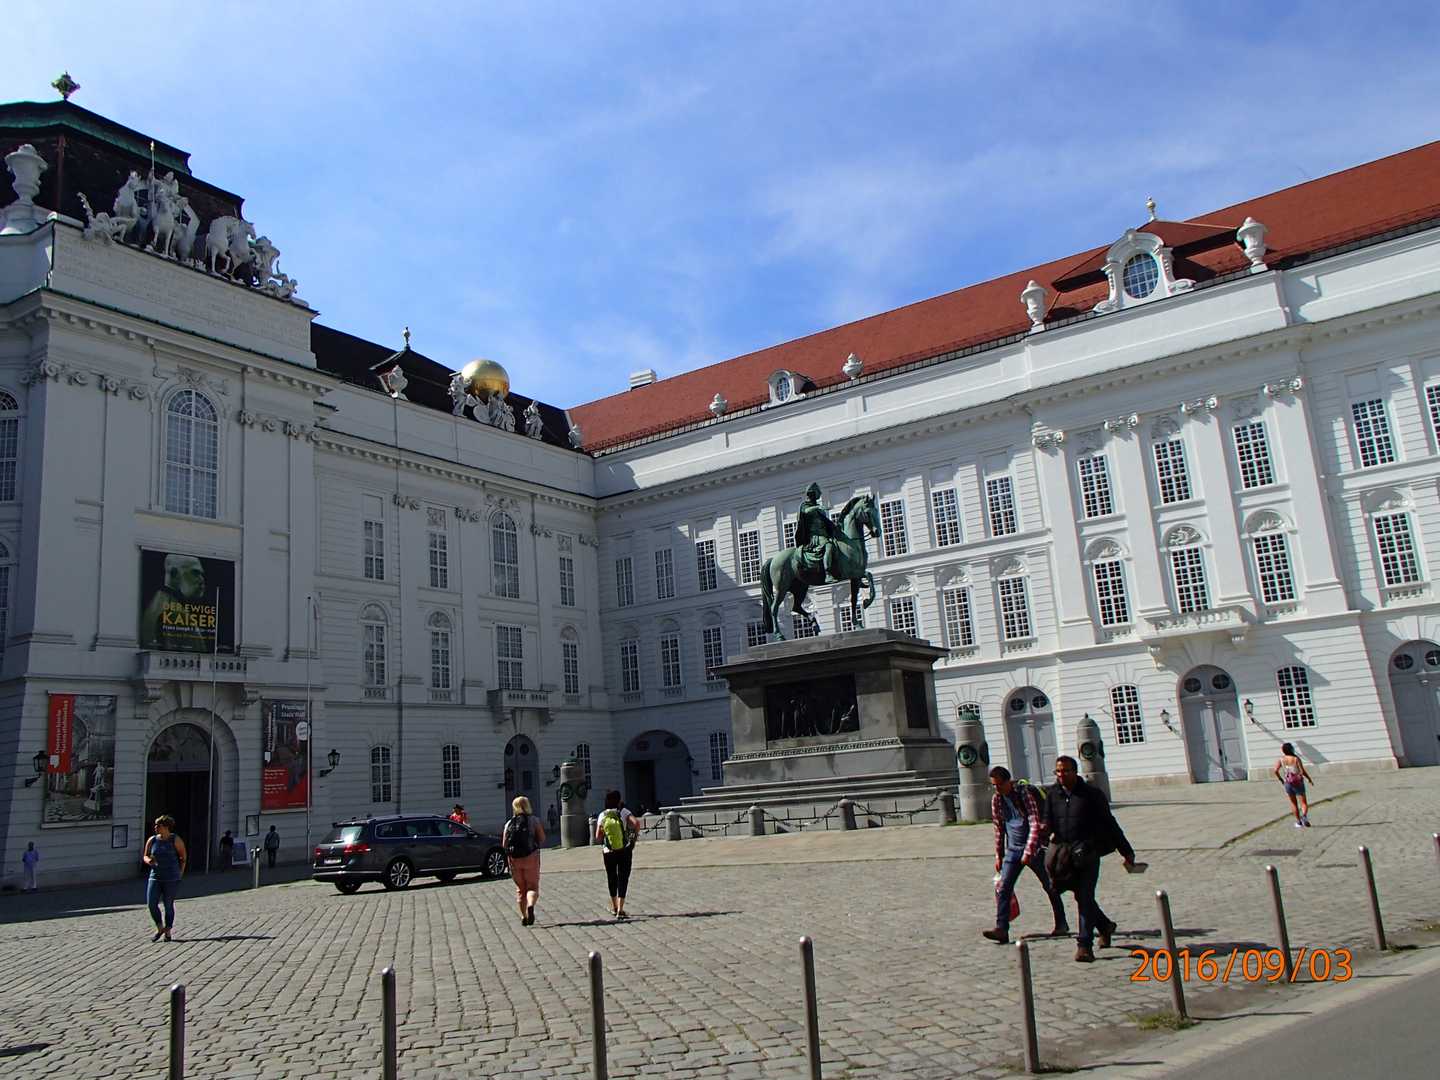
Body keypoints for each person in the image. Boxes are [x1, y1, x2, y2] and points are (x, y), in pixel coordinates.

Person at [1042, 756, 1134, 963]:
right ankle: (1105, 925)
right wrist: (1045, 830)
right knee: (1080, 896)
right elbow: (1047, 819)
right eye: (1058, 771)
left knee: (1085, 897)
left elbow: (1109, 823)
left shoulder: (1091, 795)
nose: (1061, 775)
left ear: (1075, 772)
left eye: (1065, 771)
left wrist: (1126, 851)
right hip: (1064, 856)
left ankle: (1084, 945)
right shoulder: (1052, 794)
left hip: (1087, 853)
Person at [981, 767, 1068, 945]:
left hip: (1034, 848)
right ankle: (1001, 929)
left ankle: (1061, 923)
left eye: (999, 785)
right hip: (1013, 850)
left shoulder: (1023, 794)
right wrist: (999, 854)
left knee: (1050, 885)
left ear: (1008, 782)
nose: (997, 789)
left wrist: (1029, 851)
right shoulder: (997, 799)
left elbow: (1034, 822)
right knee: (1004, 887)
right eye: (993, 785)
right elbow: (998, 827)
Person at [595, 790, 642, 919]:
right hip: (624, 849)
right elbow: (637, 824)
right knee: (623, 877)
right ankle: (621, 909)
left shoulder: (602, 815)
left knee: (611, 877)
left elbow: (597, 836)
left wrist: (607, 838)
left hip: (608, 851)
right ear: (619, 801)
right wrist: (633, 839)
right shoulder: (624, 812)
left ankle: (614, 906)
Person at [142, 815, 187, 942]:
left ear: (166, 827)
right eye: (155, 825)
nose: (156, 827)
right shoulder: (152, 840)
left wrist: (180, 873)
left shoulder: (175, 840)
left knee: (168, 904)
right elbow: (145, 855)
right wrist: (148, 860)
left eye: (159, 825)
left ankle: (168, 930)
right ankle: (159, 927)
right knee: (151, 904)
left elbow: (183, 857)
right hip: (155, 876)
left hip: (171, 878)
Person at [503, 795, 546, 926]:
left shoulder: (509, 823)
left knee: (520, 889)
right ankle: (530, 905)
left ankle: (524, 916)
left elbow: (504, 844)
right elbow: (542, 838)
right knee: (532, 887)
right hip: (531, 857)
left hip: (514, 860)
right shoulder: (534, 820)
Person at [793, 482, 841, 582]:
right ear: (812, 494)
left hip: (825, 535)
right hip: (815, 537)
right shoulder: (805, 506)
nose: (819, 494)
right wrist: (817, 507)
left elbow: (826, 523)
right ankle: (827, 574)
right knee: (828, 546)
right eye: (817, 493)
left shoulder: (819, 508)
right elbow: (804, 512)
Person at [1274, 743, 1314, 827]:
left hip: (1288, 782)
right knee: (1303, 802)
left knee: (1293, 803)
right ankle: (1304, 816)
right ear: (1291, 749)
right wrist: (1308, 778)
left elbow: (1275, 770)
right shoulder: (1296, 758)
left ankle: (1299, 822)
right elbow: (1302, 771)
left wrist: (1281, 779)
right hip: (1298, 782)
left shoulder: (1281, 759)